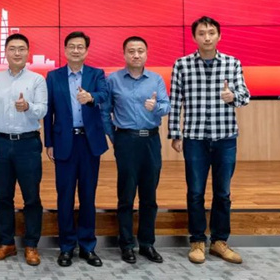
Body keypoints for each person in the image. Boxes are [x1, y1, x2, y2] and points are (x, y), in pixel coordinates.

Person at [169, 16, 250, 264]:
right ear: (194, 37)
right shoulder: (182, 64)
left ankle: (219, 241)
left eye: (211, 32)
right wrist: (175, 133)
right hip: (194, 138)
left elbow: (245, 95)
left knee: (222, 193)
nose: (207, 37)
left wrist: (232, 97)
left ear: (219, 36)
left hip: (225, 137)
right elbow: (175, 101)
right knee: (195, 192)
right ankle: (197, 241)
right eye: (202, 33)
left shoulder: (232, 63)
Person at [101, 36, 170, 264]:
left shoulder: (156, 79)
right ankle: (127, 244)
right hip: (126, 141)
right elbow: (105, 111)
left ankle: (147, 244)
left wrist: (156, 107)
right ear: (124, 54)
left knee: (149, 196)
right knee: (126, 196)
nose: (136, 55)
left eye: (140, 50)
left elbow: (166, 106)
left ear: (147, 54)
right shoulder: (113, 80)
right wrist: (115, 138)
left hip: (151, 140)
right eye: (131, 51)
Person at [44, 31, 108, 268]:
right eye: (71, 46)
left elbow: (105, 95)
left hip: (89, 143)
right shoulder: (54, 76)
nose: (76, 50)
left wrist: (91, 97)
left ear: (87, 51)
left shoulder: (96, 74)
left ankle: (88, 246)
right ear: (65, 50)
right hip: (64, 142)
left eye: (80, 47)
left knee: (88, 196)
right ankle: (66, 246)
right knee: (65, 197)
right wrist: (49, 142)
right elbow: (48, 112)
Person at [0, 33, 48, 266]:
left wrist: (27, 106)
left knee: (31, 197)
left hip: (27, 143)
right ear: (6, 52)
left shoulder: (37, 80)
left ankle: (31, 245)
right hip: (0, 143)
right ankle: (6, 243)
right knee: (3, 197)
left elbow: (42, 110)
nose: (17, 53)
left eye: (21, 48)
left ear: (28, 52)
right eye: (12, 48)